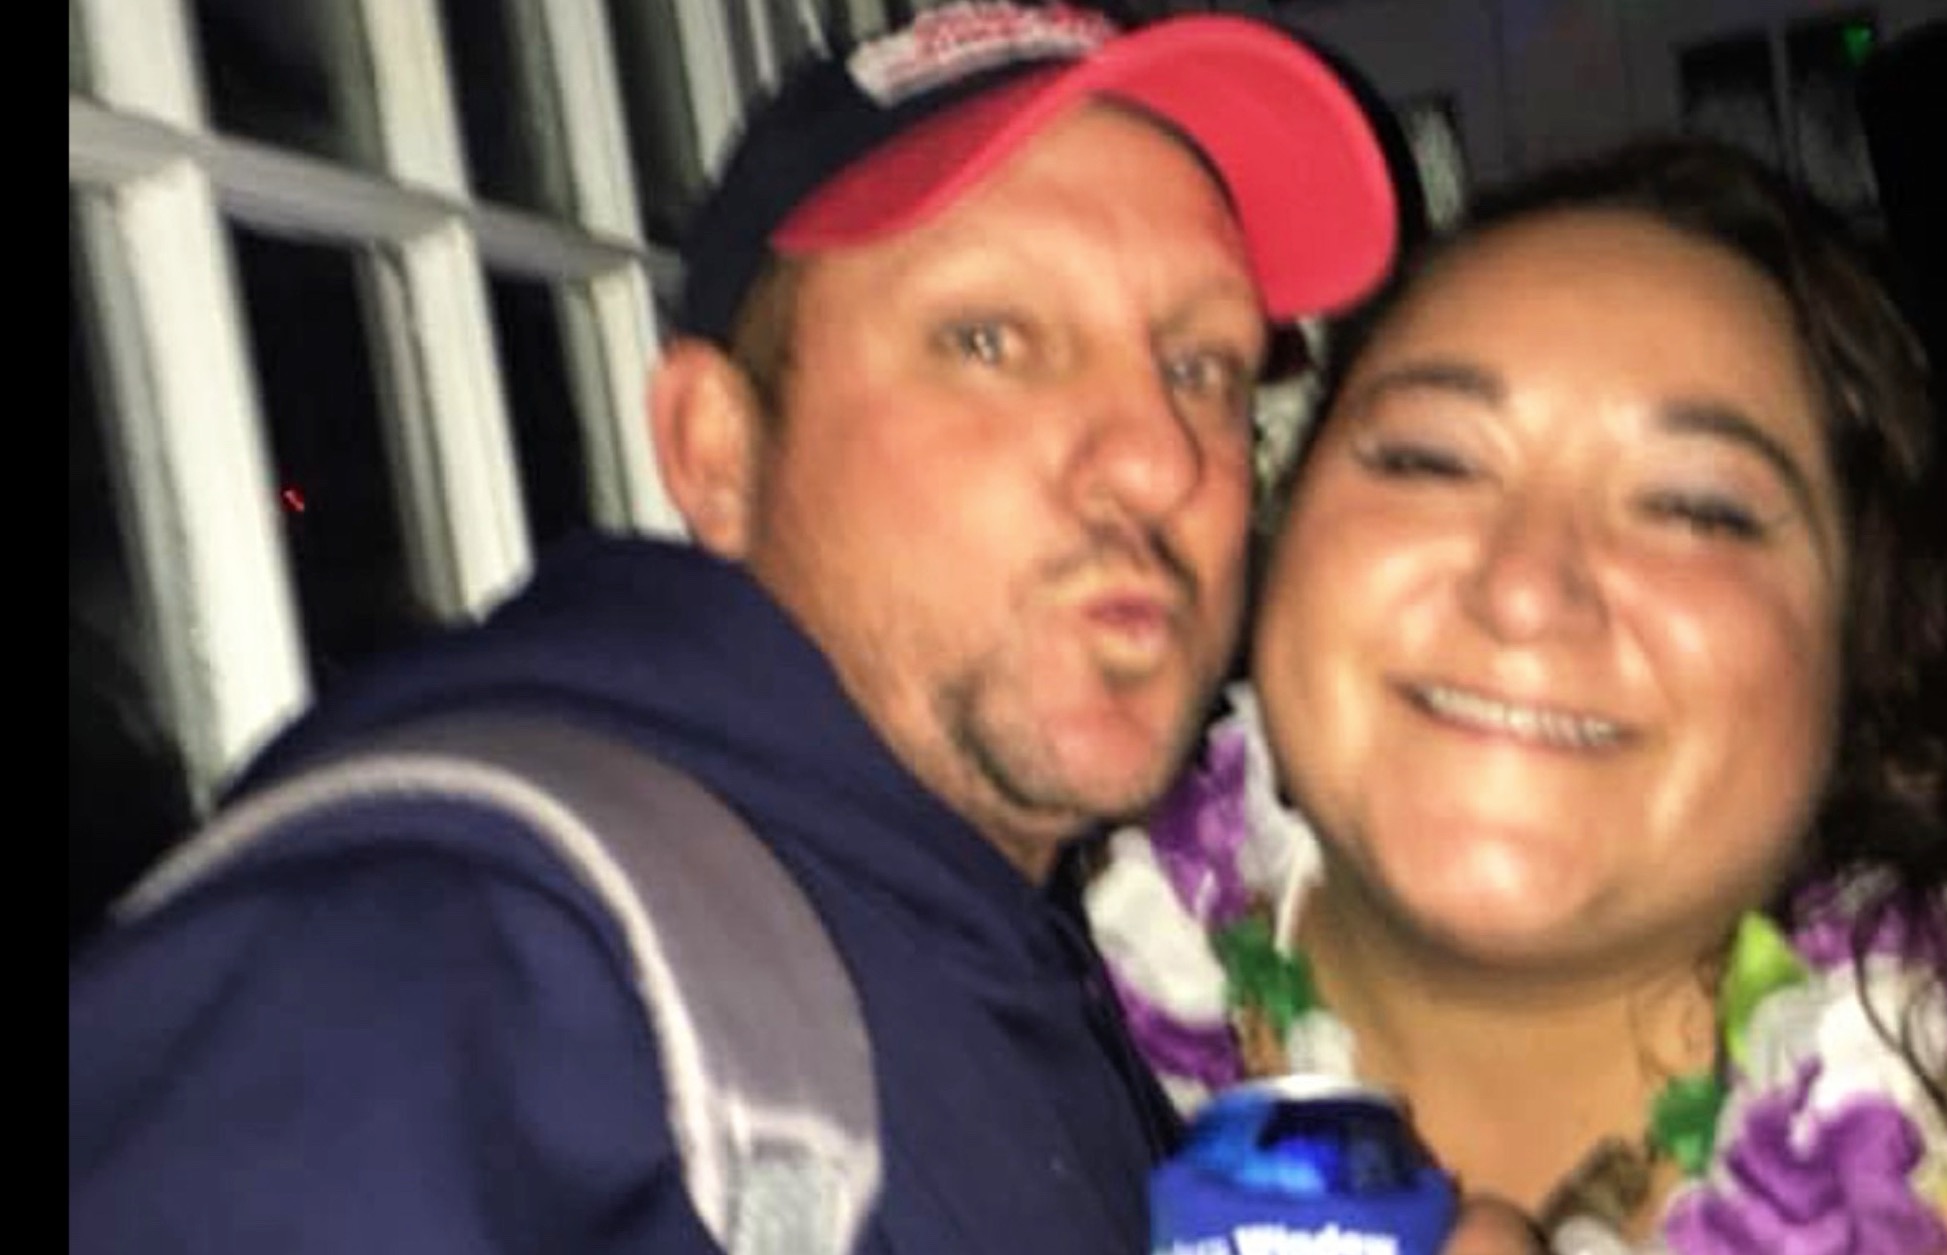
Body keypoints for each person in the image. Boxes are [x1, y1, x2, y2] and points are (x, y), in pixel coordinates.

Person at [68, 5, 1399, 1253]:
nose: (1161, 459)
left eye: (1199, 365)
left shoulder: (980, 916)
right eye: (990, 339)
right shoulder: (434, 960)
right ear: (714, 449)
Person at [1087, 137, 1947, 1255]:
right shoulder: (1017, 1002)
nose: (1525, 587)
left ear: (1859, 647)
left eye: (1696, 509)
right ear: (1281, 519)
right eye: (1430, 459)